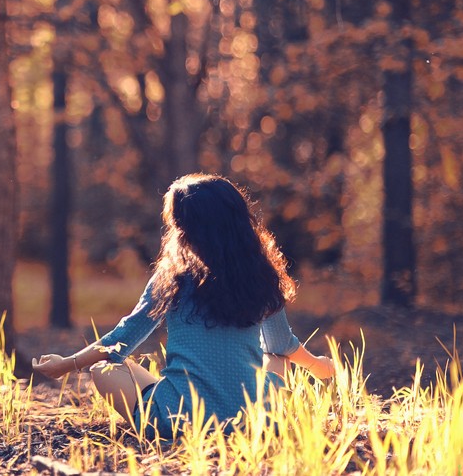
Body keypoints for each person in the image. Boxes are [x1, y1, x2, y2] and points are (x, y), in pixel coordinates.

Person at [32, 174, 335, 437]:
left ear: (183, 229)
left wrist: (66, 365)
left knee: (104, 370)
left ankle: (163, 423)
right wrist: (322, 368)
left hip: (180, 419)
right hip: (252, 422)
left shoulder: (173, 278)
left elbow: (121, 340)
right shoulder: (260, 275)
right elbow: (282, 345)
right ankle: (243, 419)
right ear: (241, 221)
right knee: (275, 357)